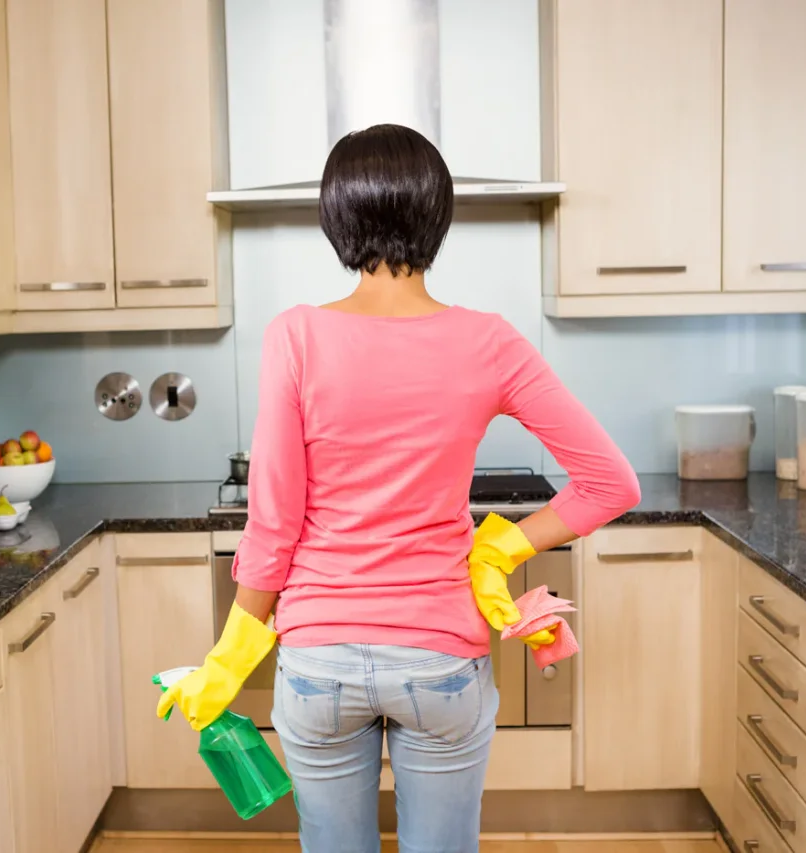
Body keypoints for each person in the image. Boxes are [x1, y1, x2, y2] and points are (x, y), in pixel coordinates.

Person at [157, 124, 641, 853]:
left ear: (337, 219)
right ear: (437, 217)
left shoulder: (295, 336)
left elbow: (273, 521)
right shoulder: (490, 341)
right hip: (440, 657)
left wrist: (229, 659)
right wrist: (502, 545)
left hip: (319, 660)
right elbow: (612, 483)